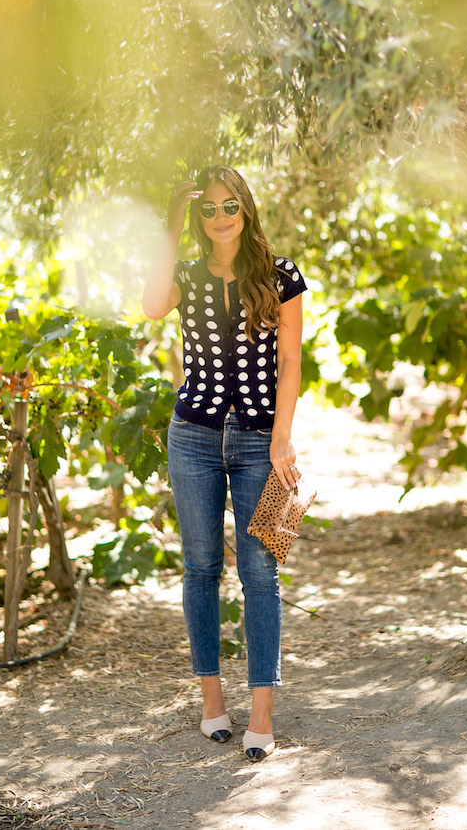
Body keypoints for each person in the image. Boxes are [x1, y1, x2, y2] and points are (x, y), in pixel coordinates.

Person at [142, 165, 306, 762]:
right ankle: (212, 702)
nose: (219, 216)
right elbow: (152, 306)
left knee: (262, 572)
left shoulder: (282, 276)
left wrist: (282, 437)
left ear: (246, 208)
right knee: (201, 568)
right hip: (192, 436)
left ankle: (261, 712)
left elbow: (291, 362)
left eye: (228, 204)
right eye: (206, 208)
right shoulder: (185, 273)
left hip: (264, 440)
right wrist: (169, 223)